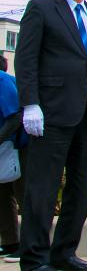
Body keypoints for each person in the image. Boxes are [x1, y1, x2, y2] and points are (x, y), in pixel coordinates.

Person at [15, 0, 87, 271]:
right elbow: (25, 60)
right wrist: (30, 103)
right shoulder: (41, 8)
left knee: (80, 189)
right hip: (51, 114)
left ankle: (65, 253)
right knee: (42, 189)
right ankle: (34, 258)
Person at [0, 54, 25, 264]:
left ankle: (28, 245)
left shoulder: (2, 80)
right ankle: (10, 242)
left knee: (23, 194)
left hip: (20, 145)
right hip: (4, 145)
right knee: (2, 194)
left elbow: (15, 115)